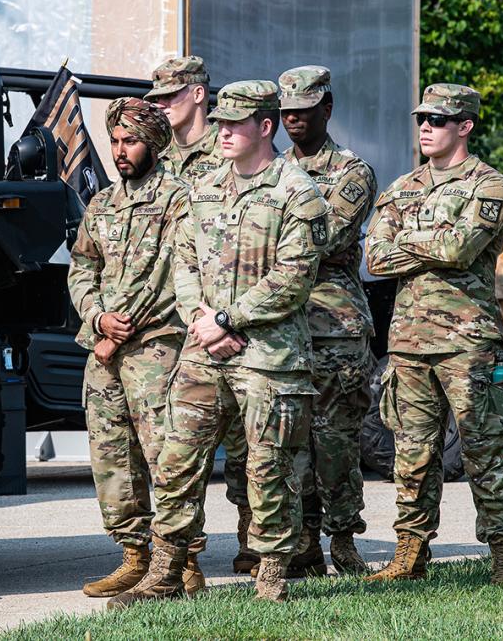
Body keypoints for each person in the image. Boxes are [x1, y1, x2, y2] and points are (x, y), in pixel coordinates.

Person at [110, 80, 328, 607]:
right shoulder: (202, 189)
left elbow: (294, 275)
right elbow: (181, 260)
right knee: (176, 459)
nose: (223, 131)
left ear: (265, 127)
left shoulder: (298, 192)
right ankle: (165, 571)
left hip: (269, 356)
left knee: (269, 466)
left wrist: (230, 318)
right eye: (221, 122)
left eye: (235, 123)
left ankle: (272, 572)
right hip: (203, 350)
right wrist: (203, 321)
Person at [365, 83, 503, 584]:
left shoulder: (490, 186)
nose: (426, 128)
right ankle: (410, 556)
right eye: (422, 119)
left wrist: (407, 241)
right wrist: (434, 240)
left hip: (467, 344)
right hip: (408, 344)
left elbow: (461, 250)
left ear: (465, 126)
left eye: (438, 119)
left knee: (485, 453)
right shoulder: (402, 186)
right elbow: (375, 257)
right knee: (411, 456)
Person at [68, 98, 193, 597]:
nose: (120, 151)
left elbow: (173, 270)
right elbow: (81, 268)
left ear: (155, 143)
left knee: (166, 455)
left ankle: (182, 560)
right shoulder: (101, 204)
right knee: (111, 455)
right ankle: (134, 554)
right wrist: (98, 318)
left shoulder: (180, 199)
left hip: (157, 346)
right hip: (103, 347)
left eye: (131, 141)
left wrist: (123, 326)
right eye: (115, 141)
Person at [147, 56, 256, 576]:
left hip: (229, 323)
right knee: (179, 444)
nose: (161, 106)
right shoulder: (159, 154)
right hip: (176, 319)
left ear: (197, 95)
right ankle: (182, 560)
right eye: (156, 98)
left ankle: (254, 546)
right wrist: (198, 318)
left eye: (169, 96)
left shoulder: (231, 149)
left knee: (244, 448)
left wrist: (221, 322)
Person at [276, 65, 377, 576]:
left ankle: (343, 541)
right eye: (286, 111)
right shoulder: (272, 169)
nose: (292, 118)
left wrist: (269, 244)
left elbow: (324, 238)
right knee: (290, 440)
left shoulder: (351, 172)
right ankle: (303, 544)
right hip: (283, 322)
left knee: (335, 439)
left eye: (303, 110)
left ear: (326, 109)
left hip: (335, 325)